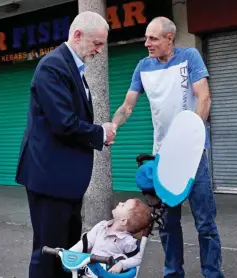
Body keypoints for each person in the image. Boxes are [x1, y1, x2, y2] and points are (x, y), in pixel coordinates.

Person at [111, 17, 224, 278]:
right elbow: (128, 105)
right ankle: (173, 274)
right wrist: (114, 124)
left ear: (170, 38)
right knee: (168, 225)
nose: (146, 43)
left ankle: (212, 274)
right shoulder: (143, 67)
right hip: (163, 157)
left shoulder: (190, 57)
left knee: (205, 223)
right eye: (146, 38)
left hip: (193, 156)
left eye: (153, 38)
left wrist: (190, 139)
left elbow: (204, 97)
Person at [15, 11, 116, 278]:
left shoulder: (74, 67)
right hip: (50, 180)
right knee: (48, 253)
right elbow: (64, 122)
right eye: (96, 43)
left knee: (67, 252)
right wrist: (100, 133)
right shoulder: (53, 66)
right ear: (77, 35)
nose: (99, 50)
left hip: (64, 181)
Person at [70, 198, 152, 274]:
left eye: (123, 205)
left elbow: (138, 258)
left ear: (123, 220)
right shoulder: (101, 226)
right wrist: (69, 253)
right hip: (89, 272)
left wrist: (122, 264)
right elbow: (86, 242)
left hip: (108, 274)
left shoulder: (128, 241)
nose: (120, 203)